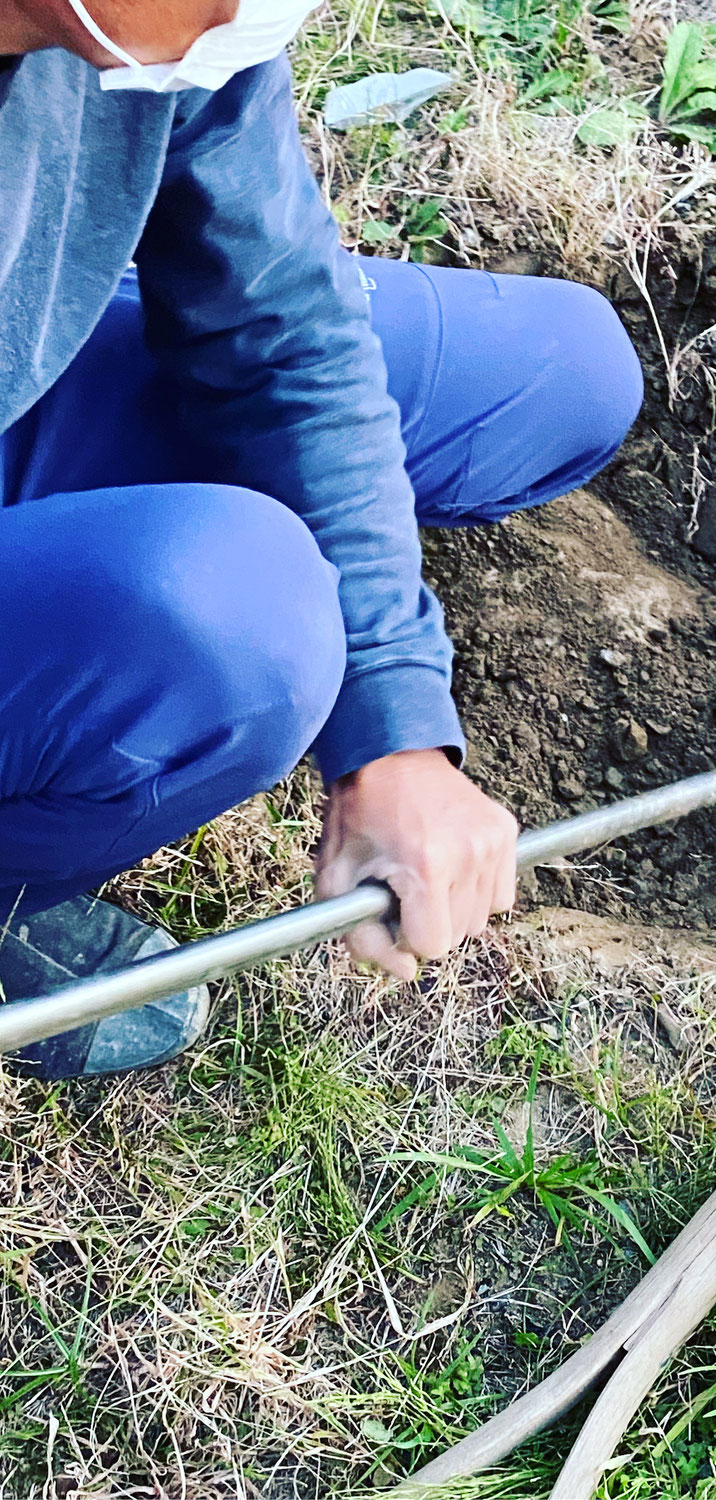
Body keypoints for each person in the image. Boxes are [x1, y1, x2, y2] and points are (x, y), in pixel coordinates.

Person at [0, 0, 644, 1079]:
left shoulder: (155, 30)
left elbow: (282, 326)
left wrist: (391, 722)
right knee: (239, 618)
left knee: (555, 371)